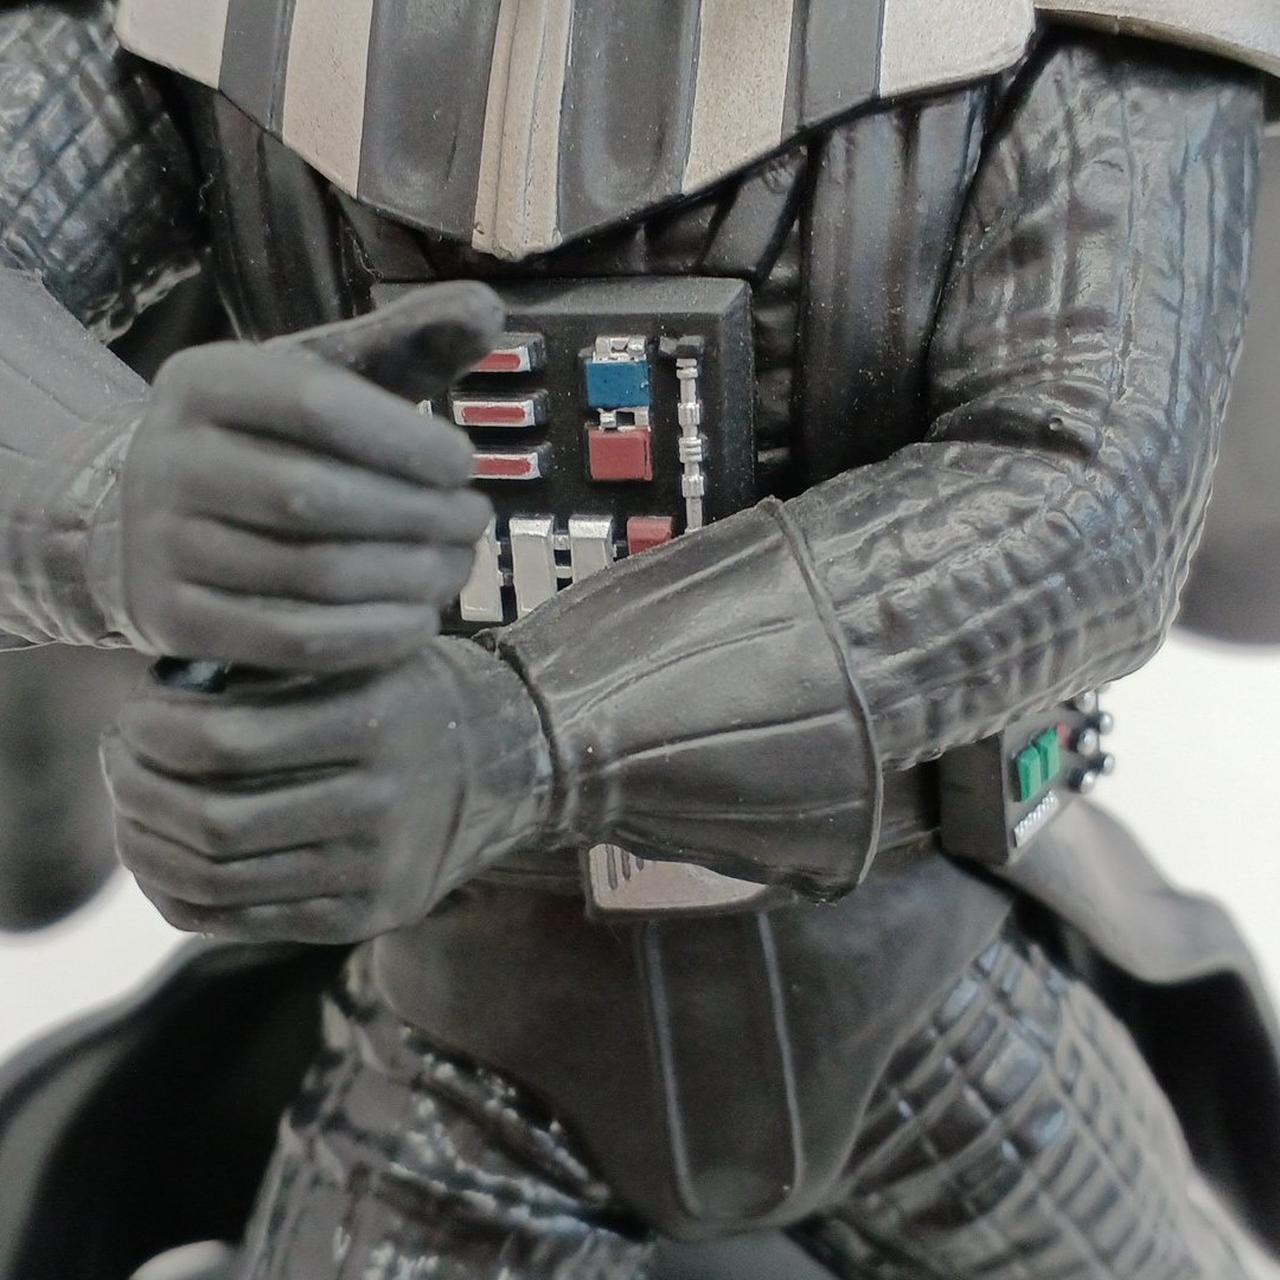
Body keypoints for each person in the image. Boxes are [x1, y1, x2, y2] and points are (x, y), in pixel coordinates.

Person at [1, 2, 1279, 1275]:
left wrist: (523, 732)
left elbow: (1087, 499)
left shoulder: (1076, 40)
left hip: (932, 982)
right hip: (469, 1020)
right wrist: (102, 496)